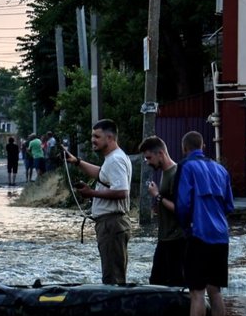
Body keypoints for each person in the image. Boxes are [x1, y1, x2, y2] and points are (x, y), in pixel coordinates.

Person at [175, 131, 234, 316]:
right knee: (215, 291)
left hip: (198, 234)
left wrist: (185, 227)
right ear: (204, 146)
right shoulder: (221, 169)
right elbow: (229, 205)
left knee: (197, 292)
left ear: (184, 148)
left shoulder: (186, 167)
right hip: (221, 236)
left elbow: (183, 204)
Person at [65, 119, 132, 285]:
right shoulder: (112, 158)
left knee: (113, 278)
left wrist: (91, 193)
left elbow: (122, 191)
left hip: (112, 224)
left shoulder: (115, 160)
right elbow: (102, 174)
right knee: (112, 275)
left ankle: (114, 310)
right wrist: (77, 162)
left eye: (97, 136)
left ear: (109, 138)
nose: (93, 140)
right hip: (111, 224)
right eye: (92, 136)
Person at [139, 136, 186, 287]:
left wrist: (157, 196)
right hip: (164, 238)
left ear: (160, 153)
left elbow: (180, 209)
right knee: (155, 282)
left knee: (176, 283)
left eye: (149, 157)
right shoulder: (165, 173)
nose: (147, 162)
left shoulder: (176, 173)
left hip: (177, 239)